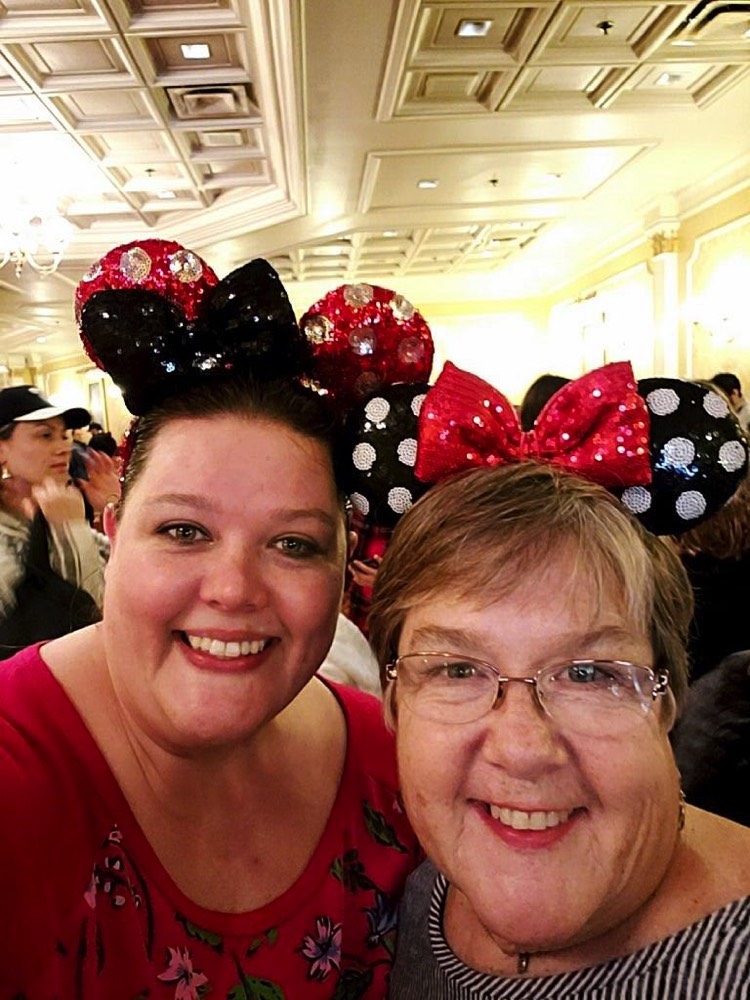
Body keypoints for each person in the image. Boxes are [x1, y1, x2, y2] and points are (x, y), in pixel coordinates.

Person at [0, 241, 419, 999]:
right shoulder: (16, 771)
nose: (232, 591)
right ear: (116, 534)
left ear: (344, 565)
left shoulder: (399, 767)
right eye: (184, 531)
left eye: (293, 544)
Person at [368, 462, 750, 997]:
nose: (522, 748)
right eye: (458, 670)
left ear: (667, 701)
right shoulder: (409, 899)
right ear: (393, 701)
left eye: (588, 675)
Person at [0, 385, 116, 658]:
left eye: (64, 435)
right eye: (45, 435)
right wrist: (70, 530)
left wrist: (113, 507)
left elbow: (129, 581)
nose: (63, 447)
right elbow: (93, 614)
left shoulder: (50, 509)